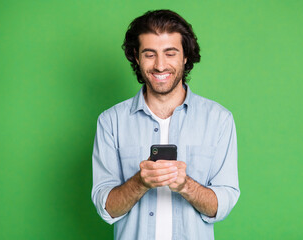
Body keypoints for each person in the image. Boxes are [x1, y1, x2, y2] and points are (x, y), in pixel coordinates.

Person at [91, 9, 240, 240]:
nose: (160, 66)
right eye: (150, 54)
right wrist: (140, 182)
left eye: (170, 53)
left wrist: (185, 185)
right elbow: (107, 207)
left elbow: (221, 205)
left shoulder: (219, 120)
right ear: (137, 57)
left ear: (185, 56)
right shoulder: (110, 121)